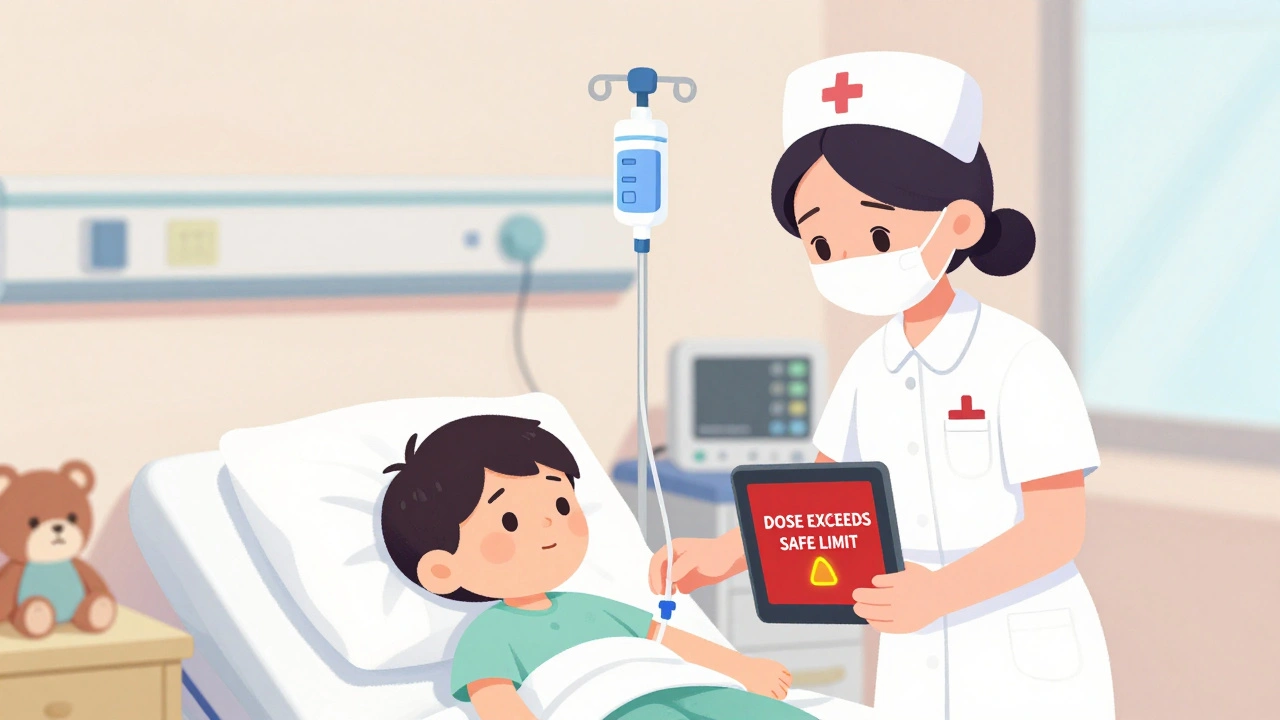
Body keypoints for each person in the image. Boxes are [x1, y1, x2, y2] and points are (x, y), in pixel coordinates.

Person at [648, 52, 1115, 719]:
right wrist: (722, 555)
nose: (851, 261)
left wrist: (942, 593)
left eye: (875, 231)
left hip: (1018, 638)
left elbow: (1057, 530)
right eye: (823, 244)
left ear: (959, 223)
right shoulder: (872, 363)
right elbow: (814, 503)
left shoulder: (1020, 359)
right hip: (912, 637)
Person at [380, 414, 816, 720]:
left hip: (687, 686)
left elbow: (667, 637)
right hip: (611, 708)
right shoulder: (491, 635)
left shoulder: (591, 607)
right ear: (442, 570)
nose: (551, 522)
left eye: (559, 502)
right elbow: (497, 701)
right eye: (509, 521)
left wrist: (742, 669)